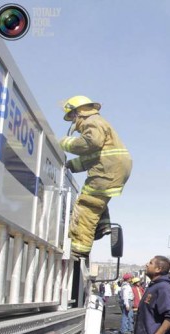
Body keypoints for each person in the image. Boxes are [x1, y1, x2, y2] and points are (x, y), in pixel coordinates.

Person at [59, 96, 133, 258]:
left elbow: (90, 144)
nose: (72, 121)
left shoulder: (90, 122)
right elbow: (94, 158)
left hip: (109, 169)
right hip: (114, 167)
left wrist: (65, 143)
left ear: (78, 112)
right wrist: (71, 165)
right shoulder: (98, 121)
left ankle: (79, 250)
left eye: (71, 116)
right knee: (97, 198)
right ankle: (103, 225)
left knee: (86, 206)